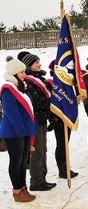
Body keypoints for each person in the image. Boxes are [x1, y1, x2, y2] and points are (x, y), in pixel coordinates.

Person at [1, 58, 38, 202]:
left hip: (23, 130)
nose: (24, 74)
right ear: (14, 73)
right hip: (14, 132)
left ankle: (23, 187)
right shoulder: (7, 89)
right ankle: (17, 190)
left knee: (23, 161)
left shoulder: (19, 86)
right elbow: (12, 114)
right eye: (22, 72)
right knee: (16, 161)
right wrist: (21, 132)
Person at [21, 53, 57, 191]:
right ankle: (36, 181)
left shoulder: (40, 80)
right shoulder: (28, 82)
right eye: (36, 62)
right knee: (37, 151)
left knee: (43, 149)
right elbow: (36, 102)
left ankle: (42, 178)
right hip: (35, 120)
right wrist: (51, 102)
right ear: (29, 65)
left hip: (42, 119)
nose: (40, 64)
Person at [47, 60, 78, 178]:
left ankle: (66, 166)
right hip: (58, 118)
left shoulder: (67, 84)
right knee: (61, 144)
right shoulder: (51, 84)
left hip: (66, 116)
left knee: (65, 143)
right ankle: (62, 168)